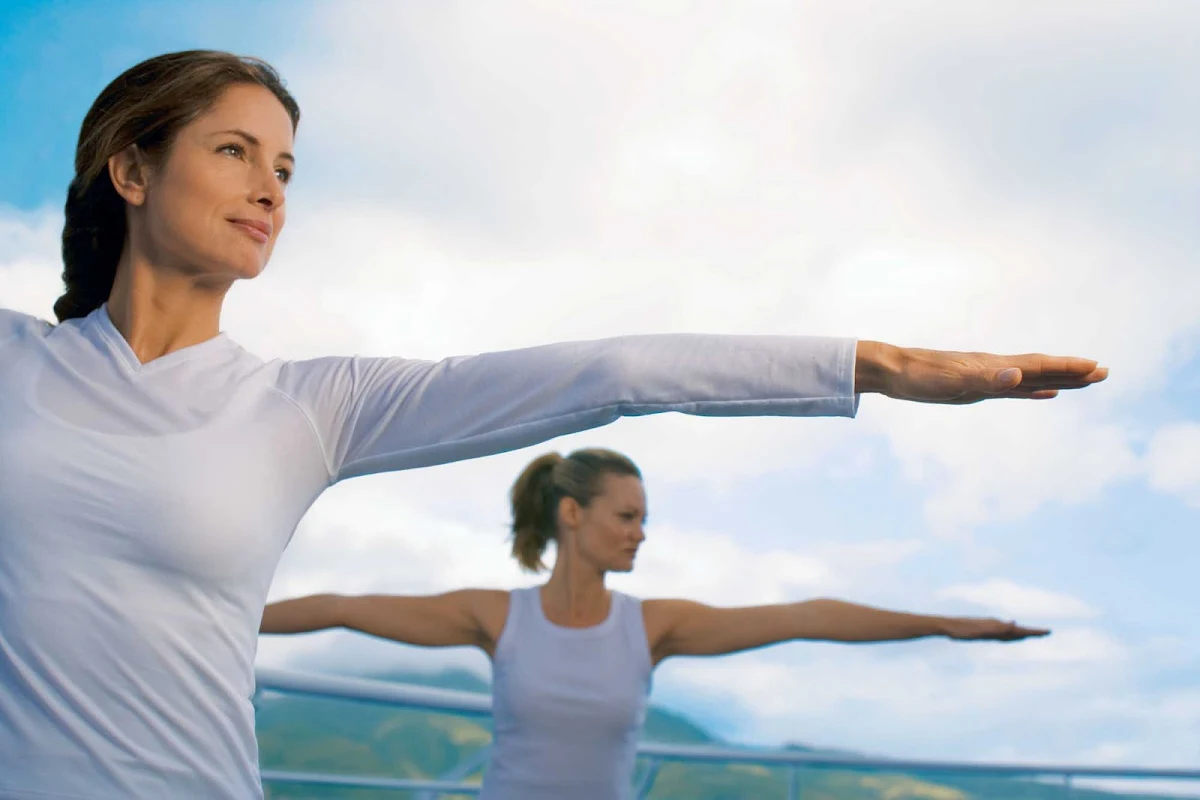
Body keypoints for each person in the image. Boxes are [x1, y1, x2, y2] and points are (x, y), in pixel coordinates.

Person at [0, 49, 1103, 800]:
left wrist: (883, 364)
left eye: (286, 167)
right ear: (132, 167)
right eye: (235, 151)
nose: (271, 189)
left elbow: (613, 369)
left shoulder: (308, 405)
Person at [261, 448, 1049, 800]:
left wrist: (946, 624)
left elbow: (806, 617)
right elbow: (339, 608)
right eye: (628, 516)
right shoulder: (497, 616)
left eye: (646, 518)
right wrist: (212, 620)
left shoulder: (655, 627)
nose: (641, 532)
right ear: (572, 515)